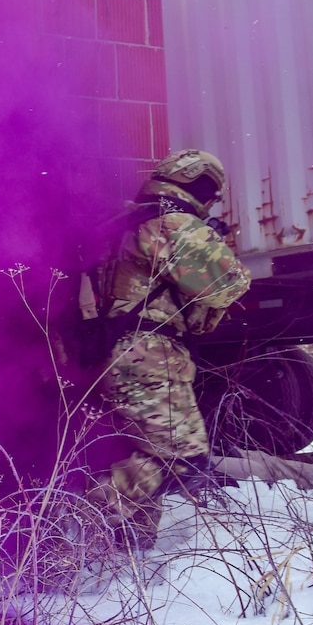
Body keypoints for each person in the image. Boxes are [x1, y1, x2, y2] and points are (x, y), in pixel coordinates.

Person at [85, 149, 252, 549]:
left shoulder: (122, 223)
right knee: (181, 458)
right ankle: (73, 521)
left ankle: (131, 554)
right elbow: (228, 282)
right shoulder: (172, 221)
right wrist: (214, 241)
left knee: (136, 450)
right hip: (149, 353)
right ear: (202, 185)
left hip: (112, 352)